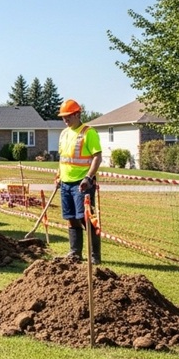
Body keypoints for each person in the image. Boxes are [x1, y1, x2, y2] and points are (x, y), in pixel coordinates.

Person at [56, 98, 103, 263]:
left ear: (77, 114)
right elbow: (63, 158)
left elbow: (97, 156)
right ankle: (75, 253)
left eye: (68, 116)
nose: (65, 120)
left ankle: (94, 256)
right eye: (63, 117)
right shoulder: (64, 133)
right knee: (71, 218)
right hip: (66, 182)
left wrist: (88, 177)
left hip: (82, 184)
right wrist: (58, 176)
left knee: (86, 218)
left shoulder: (88, 132)